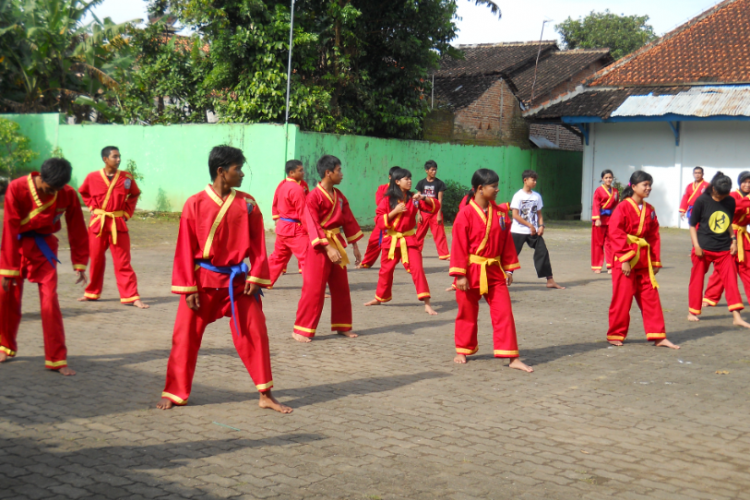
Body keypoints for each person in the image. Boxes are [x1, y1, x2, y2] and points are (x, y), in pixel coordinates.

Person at [157, 145, 291, 413]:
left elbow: (258, 244)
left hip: (239, 284)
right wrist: (188, 287)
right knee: (184, 337)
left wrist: (256, 274)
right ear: (221, 172)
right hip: (202, 282)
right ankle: (175, 392)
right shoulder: (194, 203)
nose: (241, 174)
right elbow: (184, 247)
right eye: (237, 169)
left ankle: (265, 393)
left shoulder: (248, 203)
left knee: (256, 333)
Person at [0, 159, 89, 375]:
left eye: (57, 189)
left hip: (44, 249)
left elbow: (76, 227)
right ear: (41, 177)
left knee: (50, 303)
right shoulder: (17, 187)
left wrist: (80, 263)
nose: (53, 193)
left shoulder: (67, 193)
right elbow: (10, 226)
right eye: (50, 189)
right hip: (17, 246)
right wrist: (7, 268)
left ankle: (57, 358)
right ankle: (5, 346)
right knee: (6, 297)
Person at [450, 169, 532, 371]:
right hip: (470, 270)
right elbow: (458, 246)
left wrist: (509, 269)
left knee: (504, 312)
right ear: (480, 188)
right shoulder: (465, 214)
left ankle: (512, 357)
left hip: (494, 270)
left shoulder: (501, 213)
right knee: (467, 312)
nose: (497, 189)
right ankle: (463, 348)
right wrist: (460, 275)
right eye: (493, 186)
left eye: (497, 185)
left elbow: (506, 243)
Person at [292, 155, 363, 342]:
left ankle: (343, 326)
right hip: (319, 246)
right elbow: (312, 224)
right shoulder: (313, 197)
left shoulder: (339, 197)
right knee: (314, 289)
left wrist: (355, 246)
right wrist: (327, 247)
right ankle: (301, 329)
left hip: (337, 242)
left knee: (341, 288)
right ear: (328, 172)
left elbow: (348, 220)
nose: (341, 174)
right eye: (339, 170)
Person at [606, 170, 679, 348]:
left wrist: (655, 261)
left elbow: (654, 236)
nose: (648, 188)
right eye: (645, 185)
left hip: (643, 260)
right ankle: (616, 333)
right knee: (622, 298)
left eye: (649, 185)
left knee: (650, 296)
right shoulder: (622, 207)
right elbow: (615, 233)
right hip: (626, 259)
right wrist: (624, 259)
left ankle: (658, 335)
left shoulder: (650, 210)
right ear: (633, 186)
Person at [77, 146, 148, 308]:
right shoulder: (92, 177)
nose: (118, 160)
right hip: (98, 224)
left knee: (123, 261)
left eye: (119, 156)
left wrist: (127, 213)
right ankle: (91, 292)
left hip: (117, 223)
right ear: (105, 159)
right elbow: (83, 192)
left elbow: (135, 193)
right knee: (96, 259)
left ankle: (131, 296)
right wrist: (93, 207)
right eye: (115, 157)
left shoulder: (126, 177)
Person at [364, 168, 438, 315]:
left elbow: (434, 207)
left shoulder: (414, 199)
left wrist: (423, 198)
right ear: (397, 182)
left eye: (410, 178)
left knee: (417, 269)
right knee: (385, 271)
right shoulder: (387, 199)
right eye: (406, 179)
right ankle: (379, 298)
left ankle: (427, 303)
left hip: (409, 240)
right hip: (391, 240)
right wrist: (395, 211)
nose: (410, 181)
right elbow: (379, 221)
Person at [686, 172, 750, 328]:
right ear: (713, 189)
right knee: (697, 280)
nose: (721, 198)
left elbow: (727, 220)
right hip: (703, 248)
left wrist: (733, 240)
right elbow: (693, 225)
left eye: (724, 196)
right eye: (719, 195)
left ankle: (737, 317)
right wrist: (696, 246)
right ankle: (692, 312)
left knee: (731, 282)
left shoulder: (729, 201)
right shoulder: (701, 200)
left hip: (724, 249)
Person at [510, 170, 564, 289]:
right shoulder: (518, 196)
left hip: (533, 232)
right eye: (532, 179)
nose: (535, 182)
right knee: (512, 255)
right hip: (518, 231)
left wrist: (541, 226)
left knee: (543, 251)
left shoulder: (536, 196)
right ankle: (506, 276)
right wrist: (529, 225)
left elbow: (539, 214)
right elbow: (515, 215)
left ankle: (550, 280)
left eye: (535, 180)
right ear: (525, 180)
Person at [703, 171, 750, 307]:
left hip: (744, 237)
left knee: (747, 268)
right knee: (721, 270)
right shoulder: (732, 196)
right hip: (729, 235)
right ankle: (710, 298)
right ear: (739, 183)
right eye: (745, 182)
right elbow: (736, 207)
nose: (747, 185)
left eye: (749, 182)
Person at [268, 159, 310, 285]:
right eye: (300, 170)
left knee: (277, 257)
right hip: (294, 229)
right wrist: (311, 231)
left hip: (283, 227)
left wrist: (277, 219)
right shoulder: (296, 189)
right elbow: (303, 212)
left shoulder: (284, 185)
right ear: (291, 172)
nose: (303, 172)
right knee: (307, 258)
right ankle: (313, 288)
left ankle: (262, 281)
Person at [359, 166, 400, 269]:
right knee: (373, 241)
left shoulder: (403, 190)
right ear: (390, 177)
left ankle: (411, 266)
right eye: (395, 177)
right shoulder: (382, 188)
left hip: (398, 222)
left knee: (404, 244)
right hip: (385, 220)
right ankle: (366, 263)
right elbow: (379, 203)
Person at [415, 160, 450, 260]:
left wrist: (439, 215)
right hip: (423, 213)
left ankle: (444, 254)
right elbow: (417, 198)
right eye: (432, 170)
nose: (434, 172)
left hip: (435, 213)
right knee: (419, 234)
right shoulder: (421, 183)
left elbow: (439, 200)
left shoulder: (440, 183)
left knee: (440, 234)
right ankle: (415, 252)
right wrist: (419, 214)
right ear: (426, 170)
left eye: (435, 170)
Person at [591, 169, 619, 274]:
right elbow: (596, 205)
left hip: (611, 219)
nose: (608, 179)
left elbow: (616, 206)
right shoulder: (598, 191)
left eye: (610, 177)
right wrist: (597, 218)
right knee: (598, 243)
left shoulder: (615, 191)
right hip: (600, 219)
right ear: (602, 179)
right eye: (606, 178)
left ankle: (610, 265)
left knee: (610, 242)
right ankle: (597, 266)